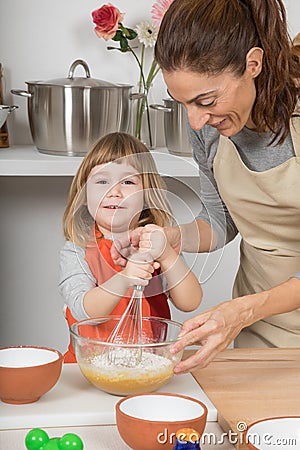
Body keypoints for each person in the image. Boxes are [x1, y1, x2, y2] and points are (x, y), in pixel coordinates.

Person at [112, 0, 300, 373]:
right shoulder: (209, 127)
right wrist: (170, 237)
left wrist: (242, 311)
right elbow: (220, 220)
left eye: (206, 101)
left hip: (248, 313)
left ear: (253, 64)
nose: (196, 121)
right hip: (257, 335)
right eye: (183, 103)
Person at [59, 132, 202, 362]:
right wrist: (125, 277)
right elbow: (86, 312)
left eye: (127, 182)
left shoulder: (155, 242)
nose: (114, 191)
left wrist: (167, 255)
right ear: (84, 194)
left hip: (148, 365)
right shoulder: (76, 251)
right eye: (102, 181)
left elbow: (190, 301)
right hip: (88, 368)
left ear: (147, 194)